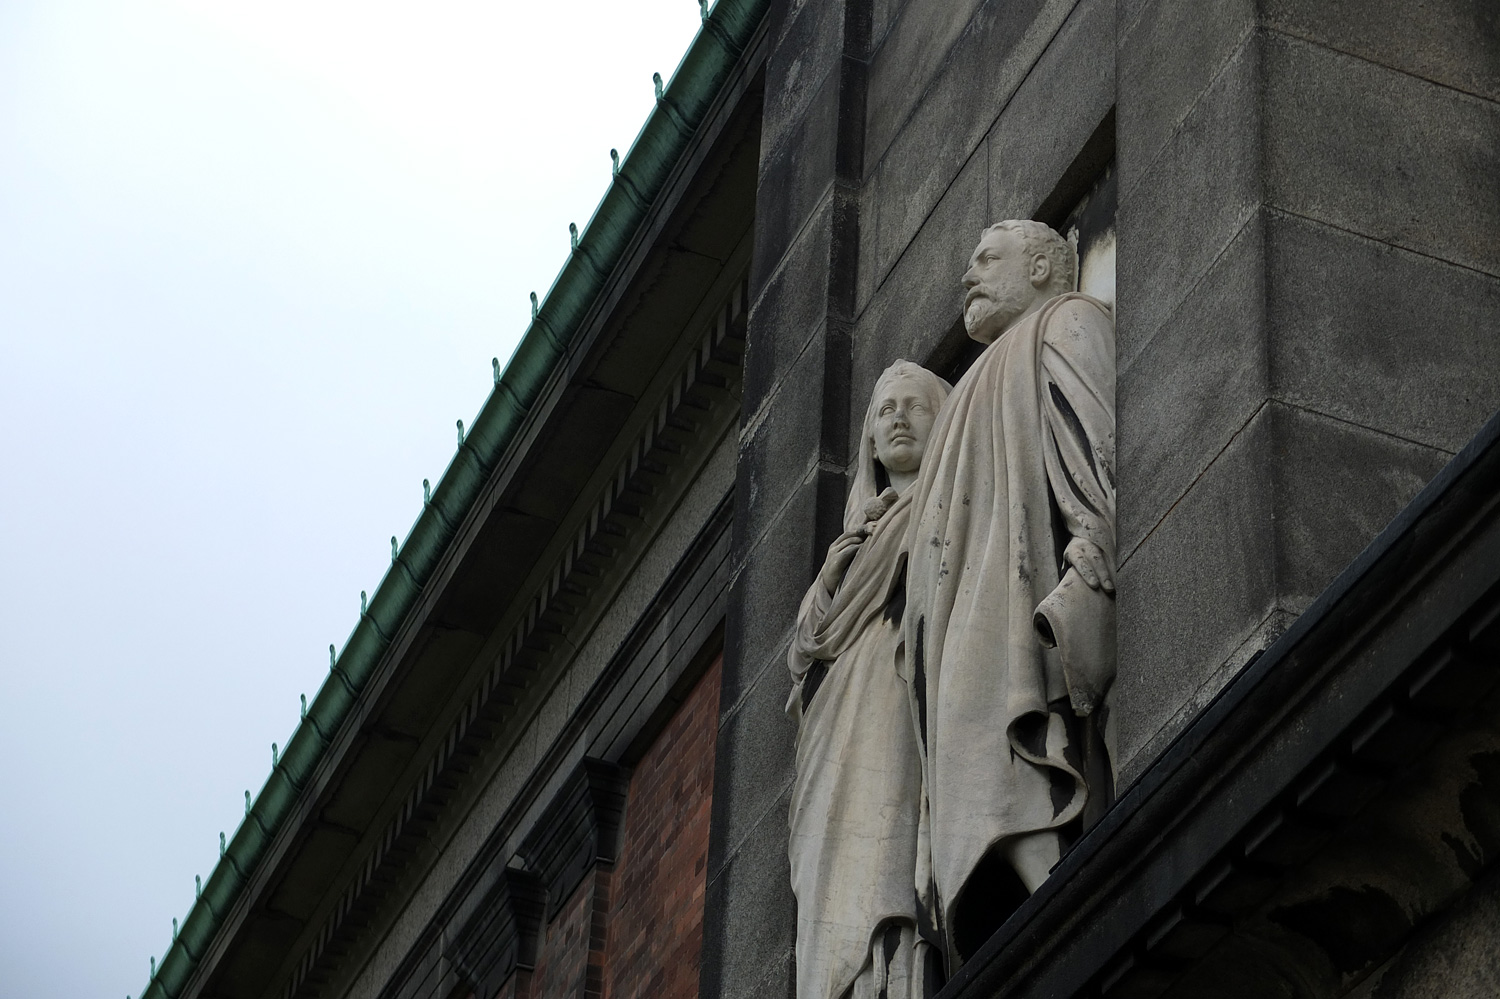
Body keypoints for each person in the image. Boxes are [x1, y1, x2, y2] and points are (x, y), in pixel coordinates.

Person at [903, 220, 1116, 967]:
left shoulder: (1068, 320)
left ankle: (1049, 867)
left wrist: (1090, 559)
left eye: (986, 259)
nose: (968, 276)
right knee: (971, 740)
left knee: (1014, 729)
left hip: (1018, 592)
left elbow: (1094, 448)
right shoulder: (969, 389)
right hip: (963, 616)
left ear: (1039, 264)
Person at [787, 360, 952, 999]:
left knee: (891, 847)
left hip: (895, 693)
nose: (900, 419)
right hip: (835, 732)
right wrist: (832, 575)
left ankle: (898, 974)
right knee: (839, 859)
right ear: (871, 442)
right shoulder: (856, 536)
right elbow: (806, 654)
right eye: (886, 411)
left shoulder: (949, 493)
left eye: (914, 405)